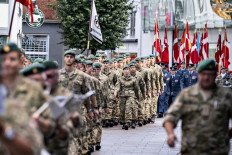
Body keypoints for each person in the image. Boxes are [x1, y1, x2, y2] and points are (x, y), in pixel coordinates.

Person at [163, 59, 232, 154]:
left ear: (215, 75)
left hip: (217, 150)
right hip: (191, 149)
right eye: (203, 74)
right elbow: (170, 117)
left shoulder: (226, 95)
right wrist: (171, 134)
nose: (206, 77)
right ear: (198, 74)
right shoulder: (187, 94)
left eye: (210, 74)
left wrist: (226, 134)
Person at [0, 43, 44, 155]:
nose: (7, 63)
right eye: (3, 59)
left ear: (20, 62)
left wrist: (6, 133)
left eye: (12, 59)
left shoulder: (32, 88)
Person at [114, 65, 140, 130]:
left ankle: (128, 122)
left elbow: (136, 89)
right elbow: (117, 86)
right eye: (125, 69)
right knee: (122, 109)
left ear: (129, 70)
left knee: (128, 108)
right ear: (123, 71)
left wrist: (138, 96)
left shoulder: (133, 79)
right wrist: (115, 92)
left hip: (131, 95)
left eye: (127, 69)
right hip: (122, 95)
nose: (126, 71)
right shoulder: (120, 79)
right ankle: (123, 121)